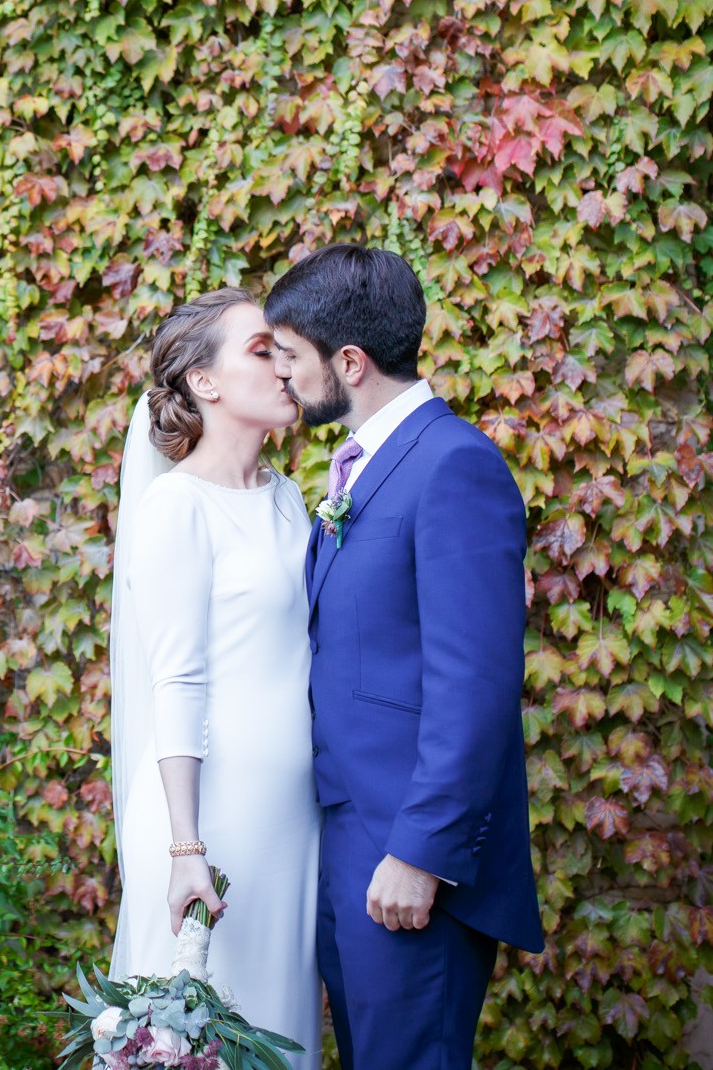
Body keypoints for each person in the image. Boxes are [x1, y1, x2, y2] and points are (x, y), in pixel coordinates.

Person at [265, 243, 544, 1070]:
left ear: (348, 362)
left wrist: (420, 852)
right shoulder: (358, 468)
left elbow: (477, 684)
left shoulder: (455, 464)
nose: (283, 377)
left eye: (290, 357)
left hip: (407, 857)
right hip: (351, 840)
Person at [109, 285, 320, 1058]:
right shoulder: (177, 508)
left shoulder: (292, 499)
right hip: (209, 821)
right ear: (205, 381)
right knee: (208, 1032)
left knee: (279, 1023)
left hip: (290, 819)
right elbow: (178, 680)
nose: (286, 366)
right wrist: (185, 847)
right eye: (262, 351)